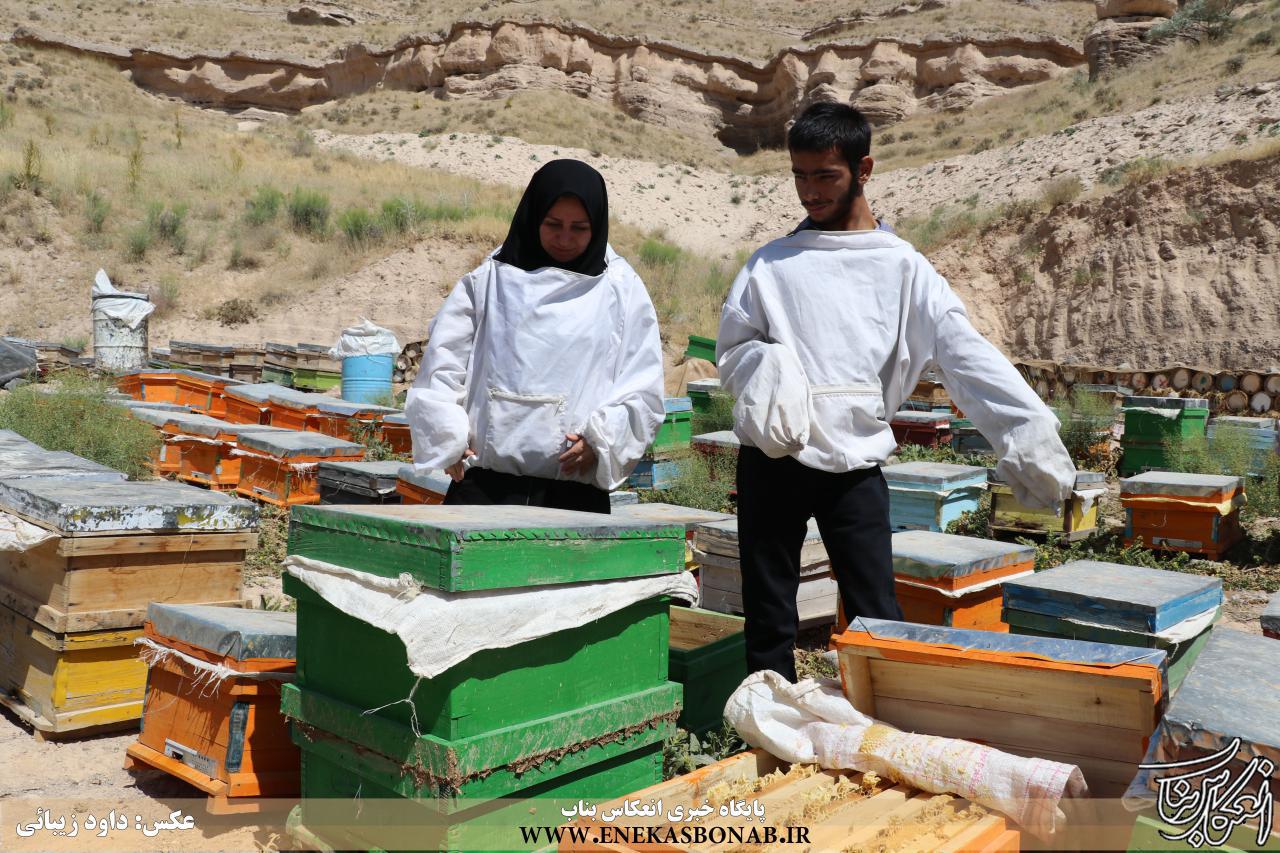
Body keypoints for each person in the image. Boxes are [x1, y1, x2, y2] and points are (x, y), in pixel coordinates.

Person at [717, 102, 1075, 680]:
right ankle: (763, 719)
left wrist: (1027, 431)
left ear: (864, 169)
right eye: (799, 176)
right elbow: (732, 351)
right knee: (768, 615)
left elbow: (965, 353)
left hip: (856, 461)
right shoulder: (770, 264)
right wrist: (766, 370)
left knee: (875, 610)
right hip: (772, 457)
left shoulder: (903, 267)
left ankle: (883, 718)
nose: (809, 192)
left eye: (825, 176)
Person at [406, 159, 665, 514]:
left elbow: (642, 384)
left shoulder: (621, 289)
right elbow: (444, 362)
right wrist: (446, 436)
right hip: (483, 489)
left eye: (579, 228)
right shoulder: (488, 280)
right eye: (553, 224)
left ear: (597, 225)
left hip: (574, 495)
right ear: (533, 216)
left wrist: (602, 441)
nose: (565, 238)